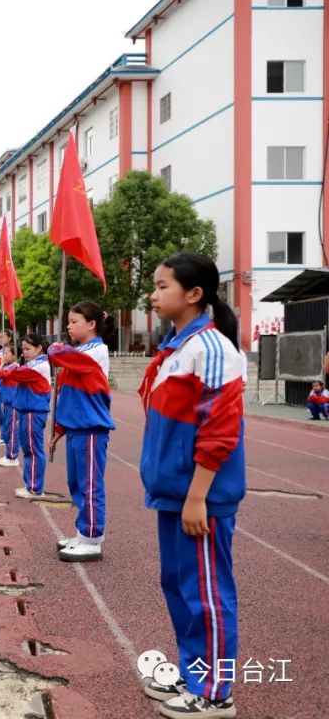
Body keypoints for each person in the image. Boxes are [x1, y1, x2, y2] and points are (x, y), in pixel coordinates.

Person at [138, 253, 245, 718]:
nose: (153, 294)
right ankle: (193, 670)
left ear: (194, 294)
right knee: (179, 586)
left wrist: (198, 496)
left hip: (199, 498)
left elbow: (220, 432)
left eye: (162, 286)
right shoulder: (178, 347)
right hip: (175, 493)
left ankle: (215, 693)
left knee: (205, 593)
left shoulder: (212, 348)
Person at [47, 302, 115, 562]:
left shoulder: (96, 351)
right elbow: (69, 394)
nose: (68, 325)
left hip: (90, 428)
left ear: (91, 324)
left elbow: (58, 354)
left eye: (74, 321)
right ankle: (83, 532)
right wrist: (59, 429)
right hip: (76, 427)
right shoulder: (81, 352)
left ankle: (92, 539)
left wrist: (54, 347)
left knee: (89, 484)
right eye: (68, 321)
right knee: (77, 484)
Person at [5, 334, 51, 499]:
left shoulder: (39, 365)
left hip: (33, 410)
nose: (24, 352)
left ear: (39, 348)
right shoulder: (32, 364)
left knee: (32, 449)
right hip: (28, 410)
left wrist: (9, 367)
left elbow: (12, 374)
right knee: (29, 448)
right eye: (23, 349)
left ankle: (34, 487)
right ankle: (31, 484)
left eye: (28, 349)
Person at [0, 345, 20, 467]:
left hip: (14, 403)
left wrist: (1, 364)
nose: (3, 356)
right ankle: (10, 453)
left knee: (13, 430)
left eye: (6, 353)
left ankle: (12, 456)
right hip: (8, 402)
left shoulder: (14, 367)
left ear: (14, 355)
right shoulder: (10, 366)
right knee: (9, 429)